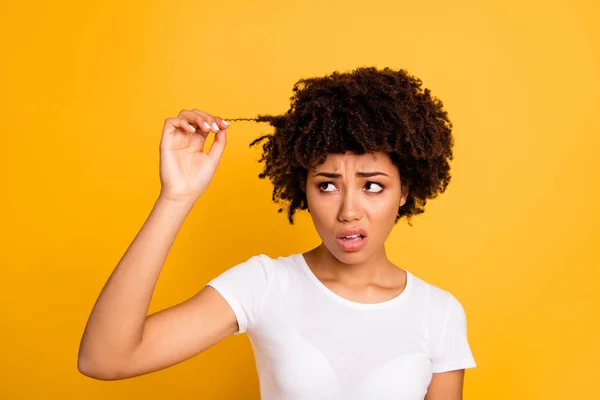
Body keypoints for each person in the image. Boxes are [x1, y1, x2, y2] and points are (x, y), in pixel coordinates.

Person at [78, 67, 477, 399]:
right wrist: (176, 197)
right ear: (302, 188)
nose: (349, 211)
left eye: (372, 185)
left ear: (405, 190)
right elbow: (105, 358)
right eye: (327, 184)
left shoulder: (438, 313)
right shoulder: (266, 284)